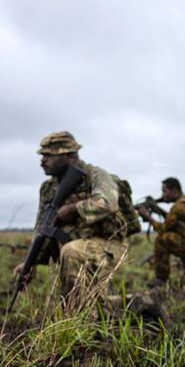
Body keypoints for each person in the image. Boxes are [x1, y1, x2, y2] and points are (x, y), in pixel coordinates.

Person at [13, 131, 128, 306]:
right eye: (42, 155)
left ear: (69, 156)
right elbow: (43, 228)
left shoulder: (96, 175)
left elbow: (107, 203)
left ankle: (76, 317)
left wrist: (74, 209)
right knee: (95, 304)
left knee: (71, 251)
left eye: (48, 155)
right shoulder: (48, 188)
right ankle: (134, 304)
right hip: (74, 246)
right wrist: (31, 263)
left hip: (108, 245)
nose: (42, 160)